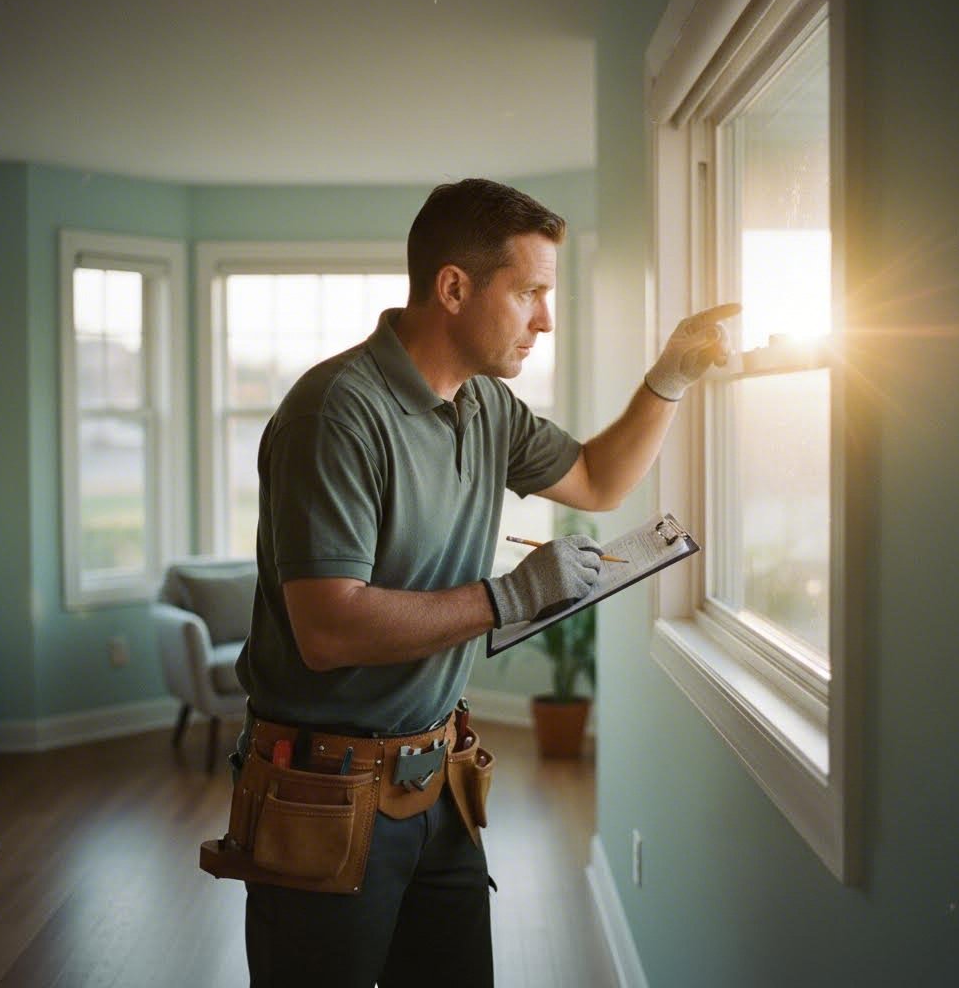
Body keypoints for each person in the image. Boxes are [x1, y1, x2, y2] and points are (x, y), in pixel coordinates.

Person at [230, 177, 738, 986]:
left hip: (440, 786)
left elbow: (599, 480)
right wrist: (509, 596)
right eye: (531, 291)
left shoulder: (487, 408)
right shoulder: (336, 413)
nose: (547, 317)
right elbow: (327, 631)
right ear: (455, 288)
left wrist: (669, 377)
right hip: (322, 794)